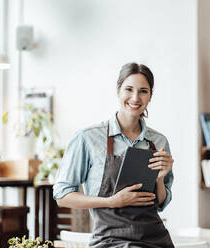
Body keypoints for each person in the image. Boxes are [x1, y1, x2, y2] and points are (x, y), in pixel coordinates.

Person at [53, 62, 175, 248]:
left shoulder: (158, 141)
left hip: (155, 240)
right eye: (129, 89)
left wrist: (160, 179)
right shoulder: (88, 138)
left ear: (150, 97)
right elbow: (62, 196)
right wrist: (111, 202)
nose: (135, 97)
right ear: (118, 91)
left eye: (143, 91)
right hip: (108, 241)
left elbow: (159, 203)